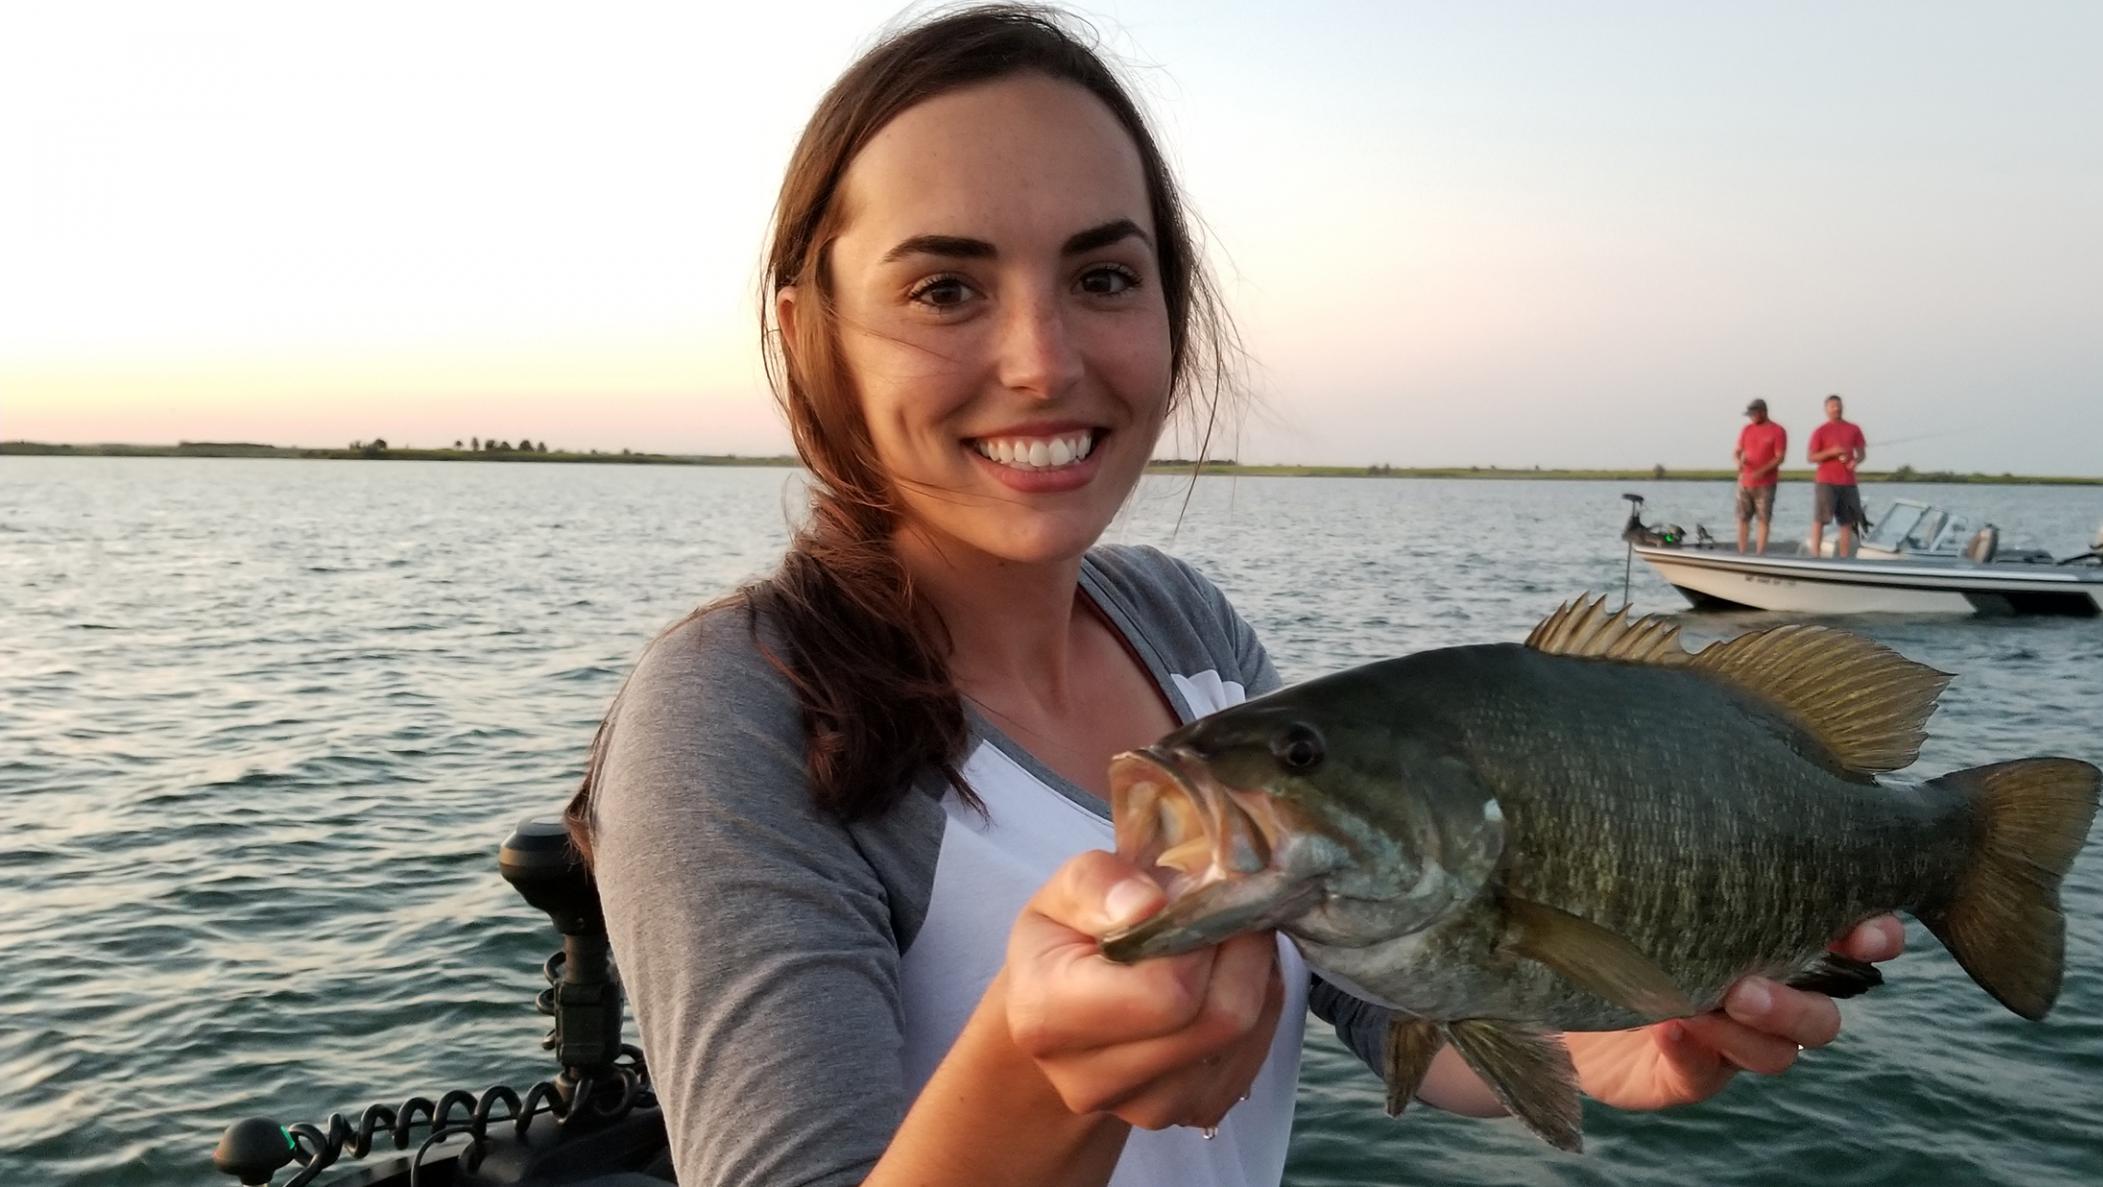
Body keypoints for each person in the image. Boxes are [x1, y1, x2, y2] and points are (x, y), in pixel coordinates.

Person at [562, 9, 1903, 1187]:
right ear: (807, 330)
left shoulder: (1185, 629)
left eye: (1103, 276)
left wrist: (1626, 1043)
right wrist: (1037, 1088)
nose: (1042, 358)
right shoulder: (731, 713)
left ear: (1172, 311)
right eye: (946, 287)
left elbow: (1393, 1001)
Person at [1807, 394, 1868, 557]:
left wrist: (1855, 461)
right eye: (1833, 406)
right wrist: (1831, 452)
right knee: (1820, 519)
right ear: (1826, 409)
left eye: (1839, 405)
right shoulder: (1820, 431)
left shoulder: (1854, 429)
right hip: (1826, 481)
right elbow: (1811, 457)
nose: (1837, 409)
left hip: (1848, 481)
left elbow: (1861, 453)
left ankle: (1844, 557)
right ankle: (1815, 555)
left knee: (1847, 522)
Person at [1732, 398, 1785, 554]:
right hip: (1745, 482)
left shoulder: (1777, 430)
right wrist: (1738, 461)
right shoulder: (1747, 429)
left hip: (1766, 483)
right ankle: (1742, 552)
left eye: (1754, 414)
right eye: (1750, 415)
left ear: (1763, 412)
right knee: (1742, 518)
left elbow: (1780, 457)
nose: (1752, 417)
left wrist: (1762, 471)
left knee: (1763, 519)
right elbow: (1737, 450)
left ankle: (1760, 553)